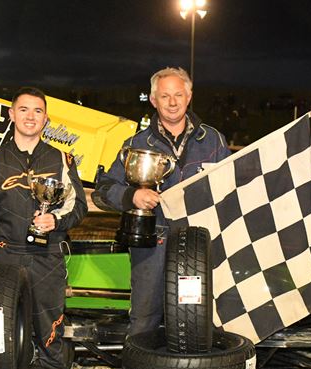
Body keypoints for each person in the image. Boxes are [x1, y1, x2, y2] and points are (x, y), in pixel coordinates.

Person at [95, 67, 231, 336]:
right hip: (152, 245)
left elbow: (231, 188)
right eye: (165, 96)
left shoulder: (213, 140)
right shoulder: (136, 143)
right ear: (153, 100)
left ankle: (196, 364)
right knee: (144, 322)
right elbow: (103, 190)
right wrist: (132, 196)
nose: (172, 102)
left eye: (178, 95)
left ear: (189, 97)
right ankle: (137, 364)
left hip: (199, 244)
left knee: (198, 320)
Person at [0, 86, 87, 369]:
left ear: (46, 118)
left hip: (47, 257)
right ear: (12, 114)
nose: (30, 117)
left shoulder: (62, 159)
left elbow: (78, 206)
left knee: (49, 332)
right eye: (23, 110)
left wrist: (55, 220)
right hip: (4, 257)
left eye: (37, 111)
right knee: (0, 333)